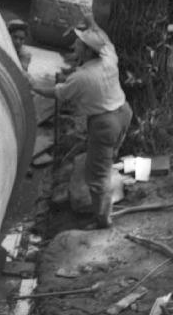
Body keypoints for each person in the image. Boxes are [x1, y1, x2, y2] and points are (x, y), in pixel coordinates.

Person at [29, 21, 131, 229]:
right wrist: (92, 22)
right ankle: (110, 185)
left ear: (86, 51)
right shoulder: (109, 57)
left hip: (104, 124)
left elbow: (57, 93)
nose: (74, 46)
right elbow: (105, 39)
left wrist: (33, 85)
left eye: (78, 43)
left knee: (96, 177)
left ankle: (102, 220)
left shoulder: (81, 77)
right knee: (109, 156)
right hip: (124, 112)